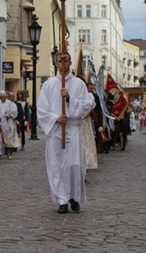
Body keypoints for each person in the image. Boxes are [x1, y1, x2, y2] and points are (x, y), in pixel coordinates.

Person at [37, 52, 94, 214]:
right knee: (57, 165)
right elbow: (41, 110)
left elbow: (85, 106)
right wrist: (55, 117)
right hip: (56, 129)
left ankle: (74, 197)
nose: (63, 63)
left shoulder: (79, 84)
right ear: (55, 63)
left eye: (66, 60)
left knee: (74, 164)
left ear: (70, 63)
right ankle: (62, 199)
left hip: (72, 128)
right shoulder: (48, 85)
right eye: (59, 60)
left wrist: (69, 99)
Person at [0, 91, 19, 159]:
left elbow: (15, 112)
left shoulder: (10, 104)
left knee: (9, 139)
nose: (3, 99)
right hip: (0, 123)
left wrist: (10, 116)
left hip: (8, 122)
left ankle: (9, 153)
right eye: (1, 97)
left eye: (4, 97)